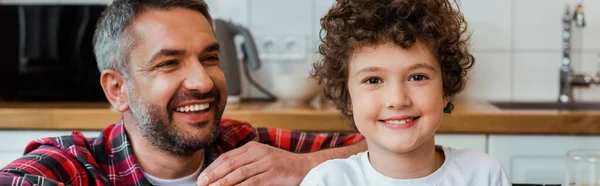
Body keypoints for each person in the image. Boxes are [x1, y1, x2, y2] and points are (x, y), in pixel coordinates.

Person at [0, 0, 366, 185]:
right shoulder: (72, 168)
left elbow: (398, 146)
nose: (203, 82)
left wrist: (304, 166)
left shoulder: (243, 146)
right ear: (117, 89)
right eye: (169, 63)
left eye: (209, 57)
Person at [299, 0, 512, 185]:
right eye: (373, 80)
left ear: (445, 90)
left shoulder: (483, 175)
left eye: (417, 77)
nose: (397, 100)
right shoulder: (326, 181)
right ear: (348, 99)